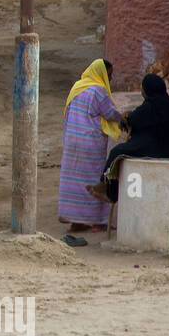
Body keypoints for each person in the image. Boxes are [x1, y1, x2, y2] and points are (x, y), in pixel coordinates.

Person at [87, 74, 169, 204]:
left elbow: (131, 121)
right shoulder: (166, 102)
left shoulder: (151, 105)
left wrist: (127, 117)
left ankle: (107, 188)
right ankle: (108, 189)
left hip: (158, 146)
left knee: (117, 152)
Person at [59, 59, 123, 246]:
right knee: (94, 179)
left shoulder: (77, 87)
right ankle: (97, 221)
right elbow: (111, 113)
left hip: (72, 141)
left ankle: (76, 222)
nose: (109, 79)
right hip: (90, 143)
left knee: (74, 180)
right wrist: (126, 119)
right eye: (109, 75)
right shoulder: (98, 91)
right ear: (101, 74)